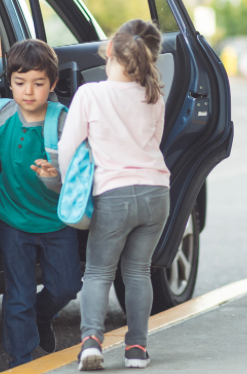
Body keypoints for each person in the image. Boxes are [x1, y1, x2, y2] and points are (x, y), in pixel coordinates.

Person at [57, 19, 170, 370]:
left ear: (109, 50)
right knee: (138, 272)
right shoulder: (154, 95)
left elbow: (67, 147)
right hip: (156, 194)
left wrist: (66, 186)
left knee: (98, 272)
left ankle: (91, 342)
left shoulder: (91, 94)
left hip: (113, 195)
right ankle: (137, 349)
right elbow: (157, 141)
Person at [0, 39, 82, 368]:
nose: (29, 91)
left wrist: (57, 173)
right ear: (9, 82)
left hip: (55, 220)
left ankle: (41, 314)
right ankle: (23, 360)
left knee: (67, 286)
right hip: (12, 219)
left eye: (38, 83)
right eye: (20, 83)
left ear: (52, 84)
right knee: (18, 294)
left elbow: (79, 170)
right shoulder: (2, 112)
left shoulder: (62, 121)